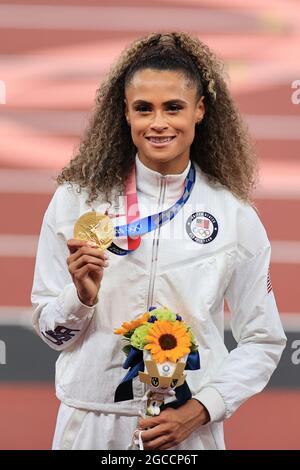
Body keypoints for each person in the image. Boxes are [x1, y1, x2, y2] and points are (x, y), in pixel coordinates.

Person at [31, 31, 286, 450]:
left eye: (173, 107)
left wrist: (202, 408)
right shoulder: (76, 201)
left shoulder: (234, 215)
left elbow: (263, 339)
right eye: (143, 109)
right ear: (126, 114)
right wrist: (79, 298)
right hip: (91, 423)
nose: (158, 123)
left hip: (185, 430)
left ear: (200, 110)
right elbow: (51, 334)